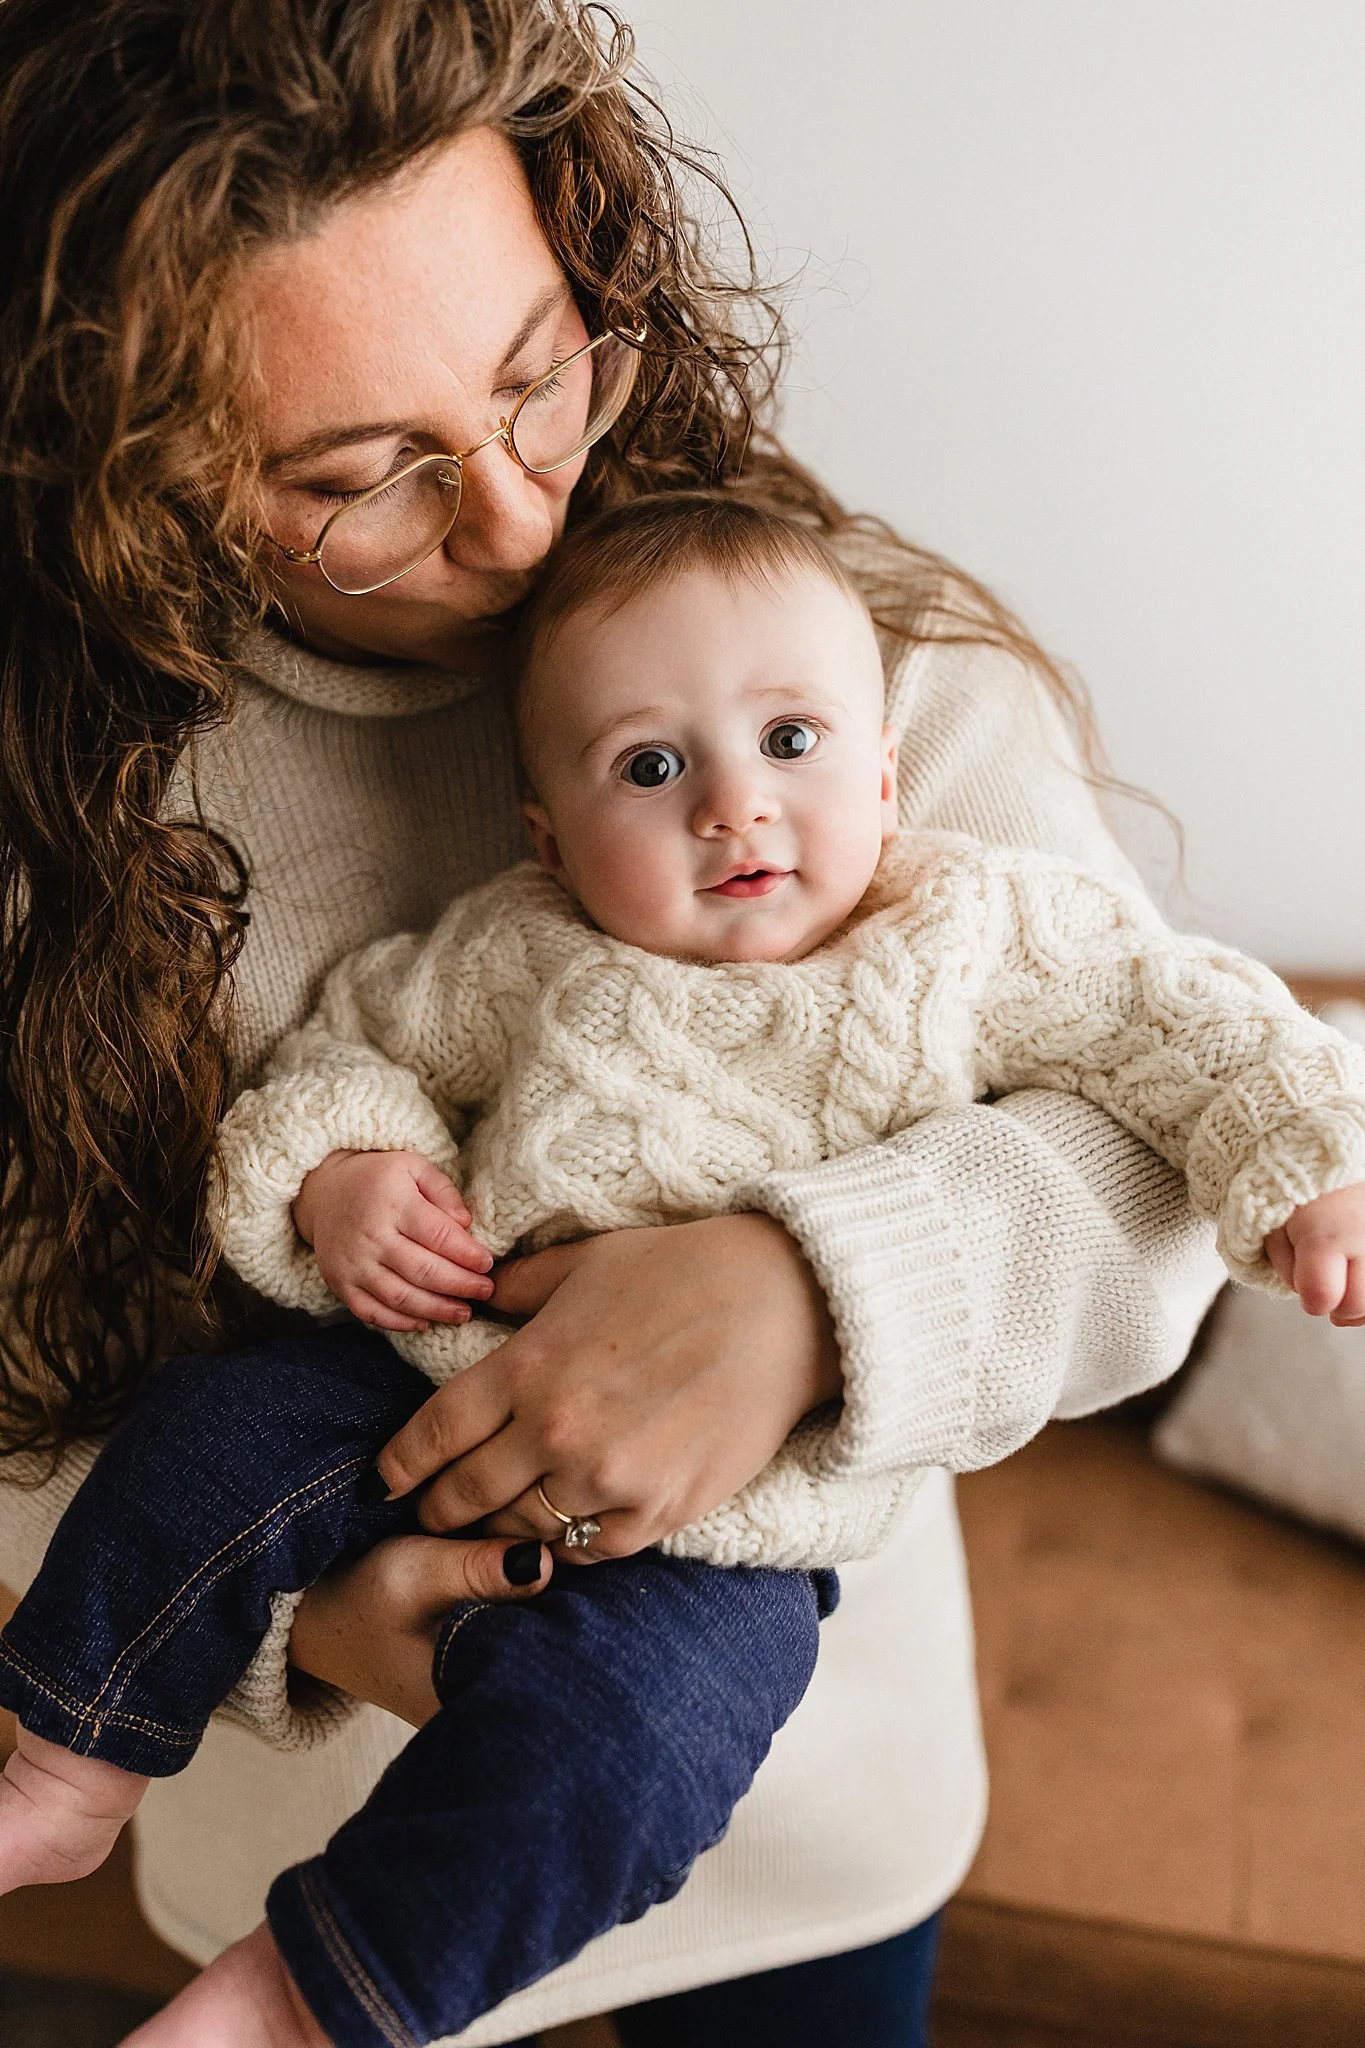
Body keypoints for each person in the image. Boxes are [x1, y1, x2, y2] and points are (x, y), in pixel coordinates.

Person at [0, 3, 1269, 2043]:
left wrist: (806, 1293)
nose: (514, 521)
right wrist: (300, 1614)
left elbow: (1152, 1136)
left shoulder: (845, 662)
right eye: (362, 481)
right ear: (127, 455)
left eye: (534, 378)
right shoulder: (71, 812)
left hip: (795, 1814)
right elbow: (23, 1333)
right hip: (287, 1812)